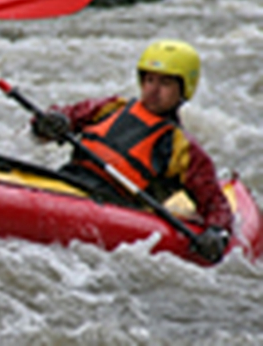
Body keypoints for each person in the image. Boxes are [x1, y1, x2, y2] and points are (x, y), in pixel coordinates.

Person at [30, 39, 232, 261]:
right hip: (65, 182)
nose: (153, 90)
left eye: (165, 84)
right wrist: (52, 122)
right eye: (149, 80)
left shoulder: (181, 147)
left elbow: (215, 205)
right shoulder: (112, 107)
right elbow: (62, 117)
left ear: (183, 89)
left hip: (113, 207)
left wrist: (216, 233)